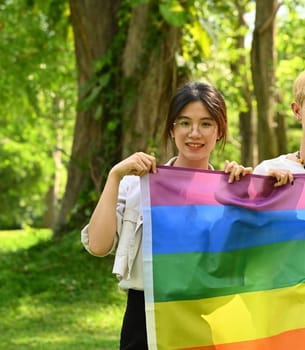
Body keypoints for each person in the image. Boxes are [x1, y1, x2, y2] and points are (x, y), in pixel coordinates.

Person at [81, 82, 253, 350]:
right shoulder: (139, 186)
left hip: (201, 316)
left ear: (219, 131)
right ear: (172, 129)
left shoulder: (229, 193)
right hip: (143, 318)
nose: (194, 133)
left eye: (206, 124)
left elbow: (239, 269)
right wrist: (115, 176)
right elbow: (98, 246)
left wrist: (244, 194)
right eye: (185, 123)